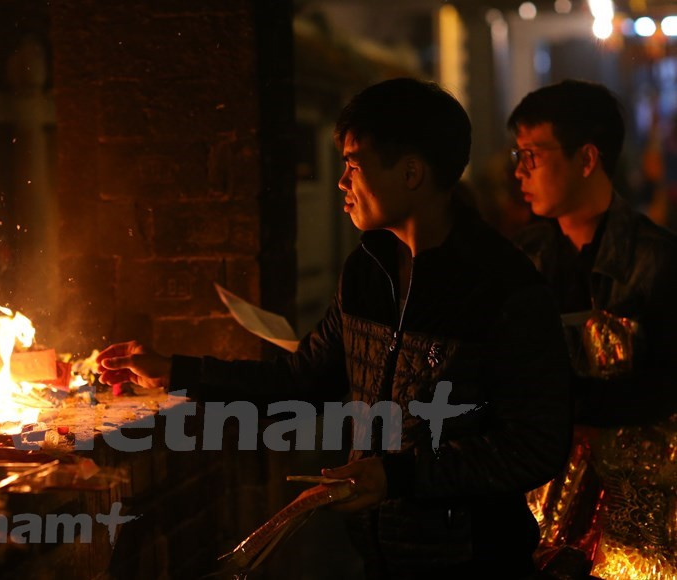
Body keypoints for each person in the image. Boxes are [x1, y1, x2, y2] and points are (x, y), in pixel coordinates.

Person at [98, 78, 572, 578]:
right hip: (379, 553)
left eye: (353, 164)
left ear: (411, 172)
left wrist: (397, 476)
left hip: (474, 560)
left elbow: (535, 445)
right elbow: (299, 381)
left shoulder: (503, 286)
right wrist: (174, 371)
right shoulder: (367, 270)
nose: (342, 182)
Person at [509, 80, 677, 578]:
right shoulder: (520, 259)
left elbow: (666, 385)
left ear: (587, 159)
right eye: (517, 154)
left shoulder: (658, 260)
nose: (519, 171)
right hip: (537, 510)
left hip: (638, 517)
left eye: (533, 155)